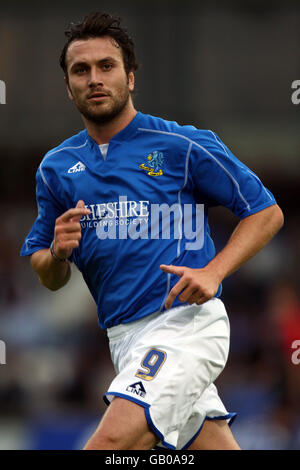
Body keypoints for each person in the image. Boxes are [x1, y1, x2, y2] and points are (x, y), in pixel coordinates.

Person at [20, 12, 284, 450]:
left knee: (109, 445)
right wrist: (58, 251)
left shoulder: (182, 145)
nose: (95, 78)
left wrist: (215, 271)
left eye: (107, 66)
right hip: (123, 341)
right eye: (81, 70)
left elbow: (265, 213)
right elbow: (47, 275)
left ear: (130, 76)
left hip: (184, 325)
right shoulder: (55, 169)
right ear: (68, 87)